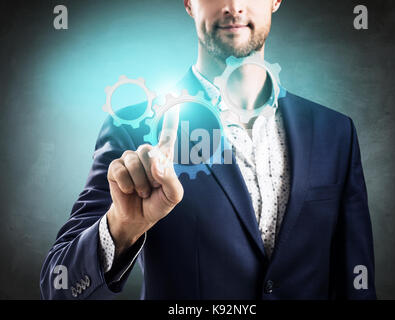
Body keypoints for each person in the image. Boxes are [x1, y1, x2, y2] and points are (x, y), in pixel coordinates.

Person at [40, 0, 377, 299]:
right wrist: (122, 226)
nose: (233, 6)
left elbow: (357, 285)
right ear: (188, 3)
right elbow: (59, 286)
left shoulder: (336, 132)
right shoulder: (135, 128)